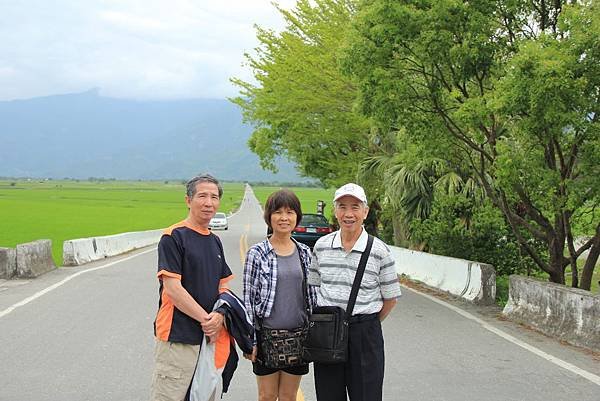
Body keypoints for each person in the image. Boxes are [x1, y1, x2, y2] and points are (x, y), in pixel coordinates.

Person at [308, 183, 402, 401]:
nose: (348, 214)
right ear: (335, 210)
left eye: (355, 207)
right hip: (328, 332)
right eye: (342, 207)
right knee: (328, 395)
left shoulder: (379, 251)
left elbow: (391, 298)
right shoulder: (321, 246)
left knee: (366, 395)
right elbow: (314, 287)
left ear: (365, 212)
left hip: (365, 333)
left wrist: (365, 323)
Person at [150, 174, 233, 401]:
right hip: (178, 335)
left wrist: (219, 315)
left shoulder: (214, 240)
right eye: (202, 196)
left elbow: (223, 286)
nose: (209, 203)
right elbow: (173, 288)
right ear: (188, 200)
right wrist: (207, 320)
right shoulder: (174, 236)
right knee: (171, 396)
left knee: (203, 396)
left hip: (209, 338)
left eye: (214, 197)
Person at [243, 189, 317, 401]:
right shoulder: (257, 253)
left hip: (298, 337)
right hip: (267, 337)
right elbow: (248, 299)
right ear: (269, 216)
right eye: (278, 212)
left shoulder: (305, 252)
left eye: (290, 212)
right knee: (267, 396)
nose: (284, 218)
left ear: (297, 217)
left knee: (288, 396)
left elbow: (313, 297)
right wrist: (251, 340)